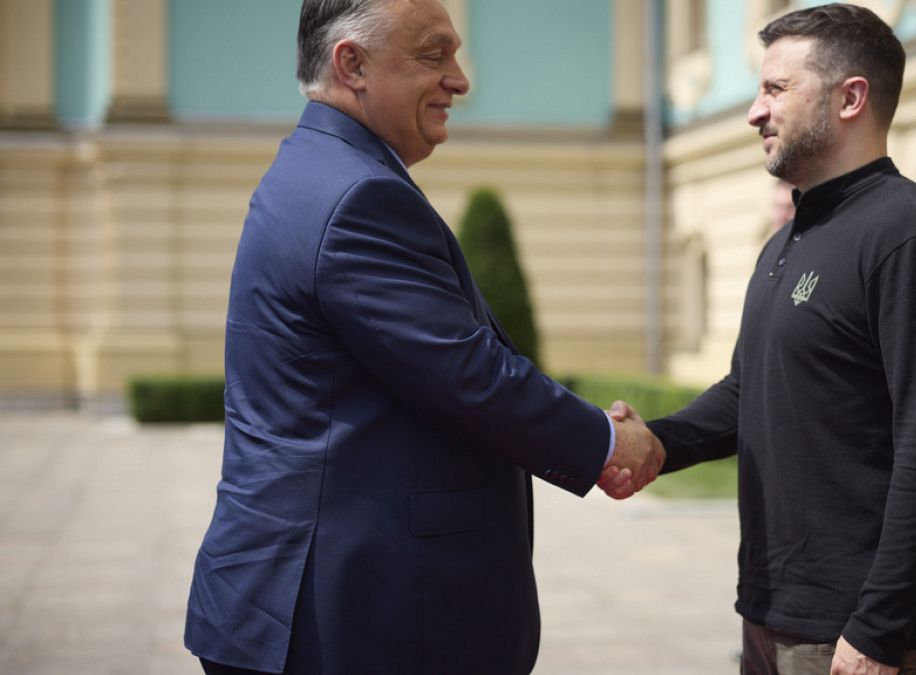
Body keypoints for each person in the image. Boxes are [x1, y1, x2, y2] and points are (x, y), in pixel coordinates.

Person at [183, 1, 662, 673]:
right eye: (433, 56)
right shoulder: (358, 196)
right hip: (340, 619)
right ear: (352, 64)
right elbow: (469, 376)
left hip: (301, 602)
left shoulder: (318, 170)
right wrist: (608, 441)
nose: (460, 80)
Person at [614, 5, 916, 674]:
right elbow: (745, 391)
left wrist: (877, 628)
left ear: (851, 98)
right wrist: (657, 443)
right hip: (770, 612)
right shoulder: (786, 241)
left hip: (859, 635)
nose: (754, 111)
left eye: (775, 89)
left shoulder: (911, 237)